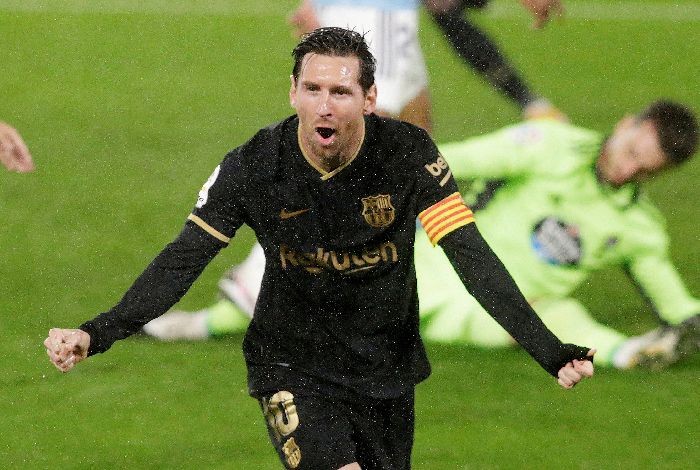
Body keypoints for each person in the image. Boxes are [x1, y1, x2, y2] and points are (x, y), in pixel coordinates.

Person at [45, 28, 594, 470]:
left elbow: (470, 256)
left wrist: (547, 348)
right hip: (292, 365)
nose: (324, 106)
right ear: (292, 92)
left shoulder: (407, 155)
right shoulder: (256, 165)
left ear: (369, 99)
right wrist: (99, 332)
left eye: (340, 92)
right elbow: (182, 260)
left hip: (387, 366)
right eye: (312, 90)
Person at [146, 100, 700, 371]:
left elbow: (676, 300)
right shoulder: (547, 146)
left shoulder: (639, 229)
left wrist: (688, 322)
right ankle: (205, 322)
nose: (628, 171)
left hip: (507, 305)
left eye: (645, 170)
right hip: (441, 258)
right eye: (631, 153)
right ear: (628, 123)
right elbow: (446, 160)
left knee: (555, 317)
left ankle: (631, 352)